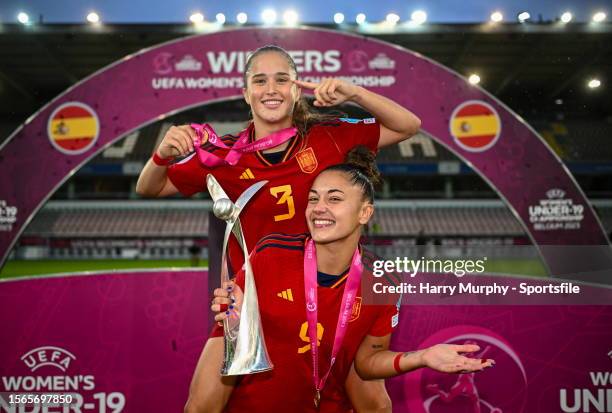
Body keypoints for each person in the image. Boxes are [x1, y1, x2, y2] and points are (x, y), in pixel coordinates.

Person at [135, 44, 421, 412]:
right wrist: (161, 155)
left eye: (282, 79)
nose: (271, 89)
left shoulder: (328, 136)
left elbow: (409, 126)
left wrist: (355, 93)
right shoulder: (222, 155)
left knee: (371, 402)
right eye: (260, 80)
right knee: (204, 404)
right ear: (245, 93)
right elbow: (150, 187)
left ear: (297, 88)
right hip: (256, 301)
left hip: (331, 294)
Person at [210, 148, 495, 412]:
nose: (319, 207)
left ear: (364, 212)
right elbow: (231, 317)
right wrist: (231, 312)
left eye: (334, 199)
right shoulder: (271, 253)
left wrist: (422, 357)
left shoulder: (383, 282)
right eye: (313, 198)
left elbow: (368, 363)